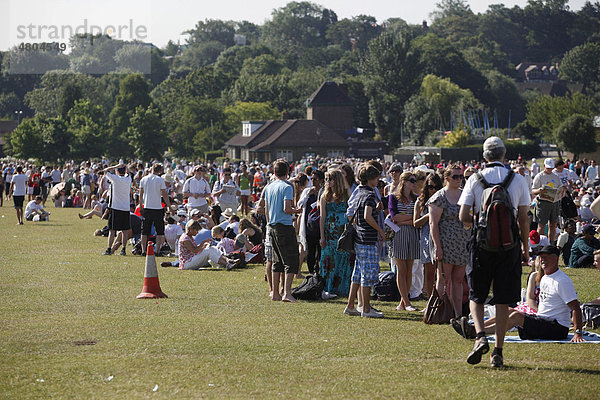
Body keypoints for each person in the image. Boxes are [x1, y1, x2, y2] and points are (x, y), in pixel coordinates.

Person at [458, 136, 532, 368]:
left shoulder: (474, 179)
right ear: (503, 154)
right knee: (503, 300)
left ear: (484, 156)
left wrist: (481, 223)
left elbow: (463, 217)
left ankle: (480, 336)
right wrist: (525, 248)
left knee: (477, 296)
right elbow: (523, 218)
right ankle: (497, 352)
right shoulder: (517, 179)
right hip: (508, 247)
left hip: (481, 245)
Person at [429, 164, 471, 318]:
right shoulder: (439, 197)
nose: (459, 179)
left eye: (461, 176)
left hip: (462, 245)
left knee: (458, 281)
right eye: (455, 176)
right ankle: (439, 312)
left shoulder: (465, 194)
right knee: (443, 280)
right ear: (446, 178)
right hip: (445, 245)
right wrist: (437, 247)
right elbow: (433, 224)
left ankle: (458, 314)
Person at [344, 164, 385, 318]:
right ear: (370, 179)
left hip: (358, 237)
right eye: (376, 177)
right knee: (367, 275)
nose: (378, 180)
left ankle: (351, 305)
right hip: (367, 238)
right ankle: (366, 309)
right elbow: (368, 216)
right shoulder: (369, 194)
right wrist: (380, 230)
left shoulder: (360, 191)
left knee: (358, 273)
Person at [263, 159, 301, 302]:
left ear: (274, 172)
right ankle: (287, 293)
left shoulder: (269, 187)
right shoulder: (287, 187)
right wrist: (297, 210)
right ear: (287, 172)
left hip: (271, 226)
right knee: (291, 260)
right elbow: (287, 208)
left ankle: (275, 293)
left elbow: (266, 209)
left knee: (277, 260)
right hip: (284, 226)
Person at [389, 171, 420, 311]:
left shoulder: (417, 198)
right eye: (412, 180)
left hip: (412, 234)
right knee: (401, 270)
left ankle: (404, 301)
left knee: (409, 270)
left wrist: (406, 219)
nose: (414, 183)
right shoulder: (393, 198)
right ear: (404, 182)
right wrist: (410, 219)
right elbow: (395, 217)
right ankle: (406, 302)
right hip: (399, 235)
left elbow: (417, 219)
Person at [318, 169, 351, 298]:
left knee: (343, 259)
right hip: (329, 232)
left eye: (330, 179)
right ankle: (327, 288)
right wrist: (322, 236)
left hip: (343, 231)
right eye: (326, 179)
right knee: (328, 260)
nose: (327, 182)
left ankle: (342, 288)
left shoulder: (346, 194)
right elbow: (322, 217)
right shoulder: (324, 196)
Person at [413, 172, 443, 299]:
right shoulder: (420, 202)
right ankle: (431, 301)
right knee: (429, 273)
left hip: (442, 238)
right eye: (430, 187)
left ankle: (443, 300)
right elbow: (415, 223)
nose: (433, 190)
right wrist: (428, 216)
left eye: (436, 187)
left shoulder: (443, 199)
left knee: (442, 273)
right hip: (426, 239)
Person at [139, 164, 172, 256]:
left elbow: (141, 194)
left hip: (147, 207)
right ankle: (157, 250)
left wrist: (141, 205)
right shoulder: (160, 180)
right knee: (159, 231)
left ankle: (143, 250)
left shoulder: (144, 179)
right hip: (157, 208)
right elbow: (165, 194)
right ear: (160, 171)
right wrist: (169, 206)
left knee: (144, 230)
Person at [102, 163, 133, 256]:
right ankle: (123, 249)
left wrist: (116, 166)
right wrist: (125, 166)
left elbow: (105, 171)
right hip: (125, 208)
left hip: (116, 207)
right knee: (124, 230)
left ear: (117, 171)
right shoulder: (128, 179)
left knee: (112, 230)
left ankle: (108, 249)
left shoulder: (115, 179)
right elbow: (129, 173)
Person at [532, 158, 562, 243]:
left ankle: (551, 243)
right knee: (542, 225)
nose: (549, 169)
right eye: (548, 168)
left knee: (553, 225)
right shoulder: (539, 176)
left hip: (554, 202)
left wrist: (562, 191)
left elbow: (560, 187)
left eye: (551, 168)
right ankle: (539, 243)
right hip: (543, 203)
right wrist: (539, 190)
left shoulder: (556, 177)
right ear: (544, 166)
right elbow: (533, 190)